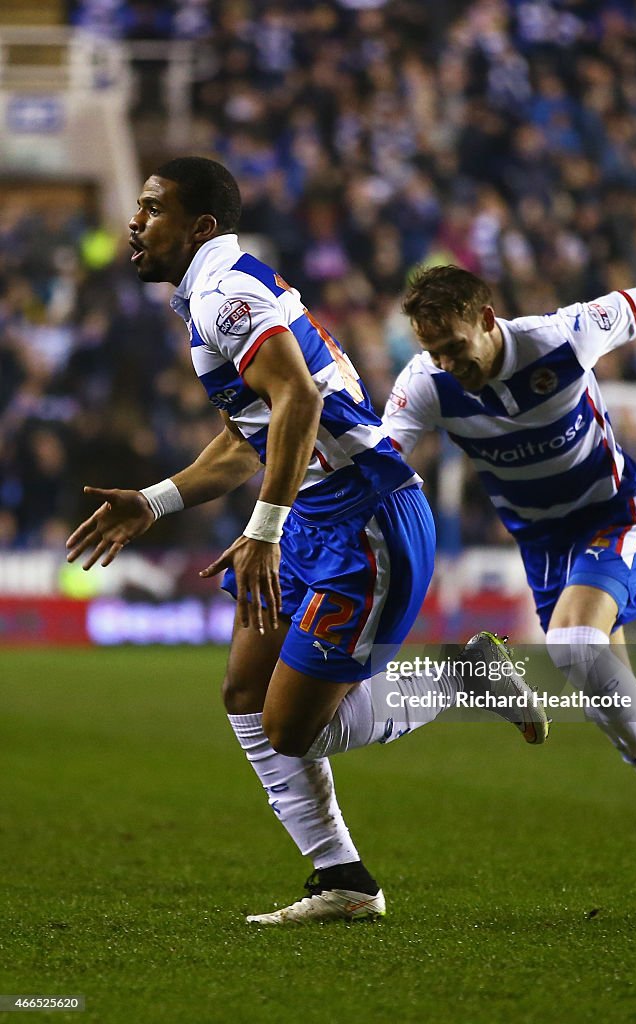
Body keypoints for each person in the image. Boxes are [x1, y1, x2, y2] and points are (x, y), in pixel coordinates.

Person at [65, 158, 549, 925]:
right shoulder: (215, 293)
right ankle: (343, 880)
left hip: (362, 517)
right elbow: (249, 437)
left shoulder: (226, 296)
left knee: (294, 728)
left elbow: (296, 394)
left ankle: (459, 681)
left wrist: (264, 528)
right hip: (316, 514)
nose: (135, 221)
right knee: (244, 696)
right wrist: (155, 502)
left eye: (153, 208)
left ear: (200, 228)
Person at [384, 264, 636, 879]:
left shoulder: (562, 336)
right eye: (433, 351)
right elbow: (382, 464)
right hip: (545, 544)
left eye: (455, 347)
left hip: (615, 510)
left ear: (488, 322)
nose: (447, 363)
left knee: (574, 645)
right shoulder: (425, 384)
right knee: (614, 708)